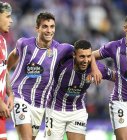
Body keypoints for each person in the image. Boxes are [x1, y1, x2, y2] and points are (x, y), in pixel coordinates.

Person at [7, 12, 102, 140]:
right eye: (45, 26)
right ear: (37, 28)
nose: (49, 30)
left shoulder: (62, 49)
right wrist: (5, 71)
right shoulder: (24, 44)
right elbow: (13, 55)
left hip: (40, 104)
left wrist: (94, 67)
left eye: (52, 27)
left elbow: (86, 53)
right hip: (20, 96)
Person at [45, 40, 114, 140]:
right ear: (74, 55)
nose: (85, 60)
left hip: (77, 110)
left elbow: (116, 77)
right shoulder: (62, 62)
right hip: (55, 110)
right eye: (82, 56)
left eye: (88, 56)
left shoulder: (97, 69)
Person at [92, 13, 127, 140]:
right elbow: (90, 55)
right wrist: (95, 69)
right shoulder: (114, 46)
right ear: (125, 28)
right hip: (120, 102)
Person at [0, 1, 14, 140]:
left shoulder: (2, 41)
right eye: (7, 16)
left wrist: (10, 93)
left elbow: (4, 69)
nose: (11, 21)